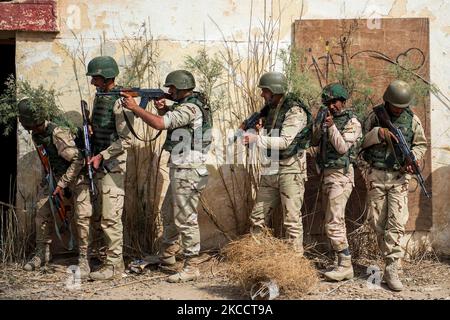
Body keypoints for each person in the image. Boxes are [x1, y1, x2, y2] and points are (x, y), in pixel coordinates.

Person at [121, 70, 212, 283]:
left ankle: (191, 266)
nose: (169, 91)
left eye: (172, 88)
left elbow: (161, 124)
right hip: (182, 168)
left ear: (180, 88)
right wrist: (164, 109)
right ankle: (168, 255)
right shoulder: (187, 105)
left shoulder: (190, 107)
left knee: (185, 218)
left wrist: (135, 108)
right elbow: (173, 121)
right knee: (169, 212)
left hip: (188, 169)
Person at [361, 80, 427, 291]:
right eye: (396, 105)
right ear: (388, 101)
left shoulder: (413, 120)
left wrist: (413, 160)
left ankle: (391, 267)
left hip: (399, 178)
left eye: (402, 106)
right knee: (378, 223)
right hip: (376, 175)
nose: (399, 109)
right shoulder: (374, 117)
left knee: (397, 223)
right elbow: (360, 142)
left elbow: (420, 144)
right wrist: (378, 134)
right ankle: (386, 260)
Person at [18, 98, 93, 279]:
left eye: (32, 125)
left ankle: (84, 258)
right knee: (41, 210)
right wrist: (50, 180)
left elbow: (78, 160)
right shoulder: (37, 134)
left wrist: (62, 183)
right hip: (55, 177)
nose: (31, 129)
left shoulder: (57, 133)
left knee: (83, 215)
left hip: (77, 177)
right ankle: (42, 254)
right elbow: (47, 159)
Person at [243, 71, 311, 254]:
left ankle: (294, 264)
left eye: (265, 90)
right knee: (258, 217)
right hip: (271, 167)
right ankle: (255, 259)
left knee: (291, 220)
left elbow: (284, 142)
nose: (262, 94)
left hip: (290, 169)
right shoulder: (271, 110)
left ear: (275, 90)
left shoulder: (295, 111)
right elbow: (270, 139)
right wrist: (259, 131)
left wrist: (256, 139)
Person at [85, 56, 134, 280]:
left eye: (95, 77)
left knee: (111, 217)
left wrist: (102, 155)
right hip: (101, 164)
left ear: (105, 77)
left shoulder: (120, 101)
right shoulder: (102, 97)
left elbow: (126, 140)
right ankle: (108, 259)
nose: (93, 82)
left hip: (113, 167)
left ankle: (115, 266)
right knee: (103, 216)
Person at [311, 83, 362, 281]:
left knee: (334, 221)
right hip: (327, 175)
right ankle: (340, 261)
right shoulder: (326, 119)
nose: (332, 106)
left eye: (335, 102)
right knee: (331, 220)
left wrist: (331, 127)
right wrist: (319, 124)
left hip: (340, 176)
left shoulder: (352, 122)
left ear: (343, 102)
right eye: (328, 102)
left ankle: (346, 265)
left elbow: (341, 148)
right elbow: (314, 142)